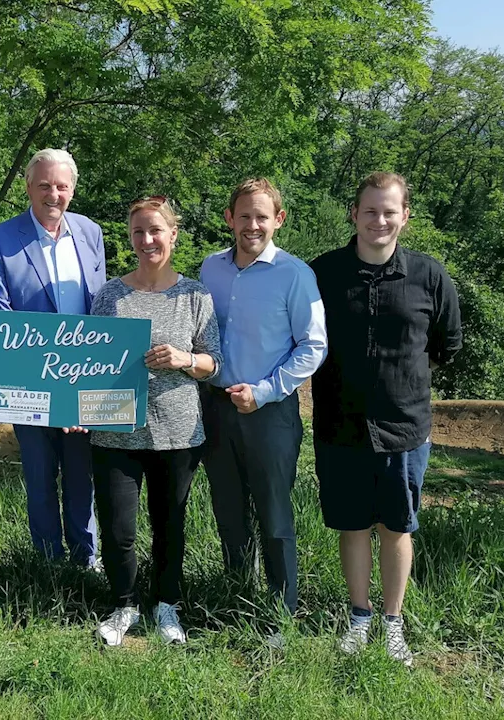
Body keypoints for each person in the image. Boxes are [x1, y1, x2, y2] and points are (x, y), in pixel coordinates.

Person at [310, 172, 462, 666]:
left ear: (405, 216)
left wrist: (400, 377)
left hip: (405, 426)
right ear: (353, 214)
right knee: (352, 526)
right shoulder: (322, 273)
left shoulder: (429, 275)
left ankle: (393, 625)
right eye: (370, 210)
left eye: (389, 211)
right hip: (339, 424)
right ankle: (359, 618)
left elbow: (446, 345)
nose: (379, 220)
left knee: (397, 527)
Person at [88, 197, 221, 646]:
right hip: (114, 431)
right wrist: (74, 408)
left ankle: (167, 606)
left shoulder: (195, 295)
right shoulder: (109, 295)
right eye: (139, 233)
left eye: (156, 231)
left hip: (178, 432)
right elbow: (88, 363)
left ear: (173, 235)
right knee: (118, 529)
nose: (147, 241)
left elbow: (215, 362)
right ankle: (124, 605)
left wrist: (185, 359)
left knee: (170, 527)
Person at [198, 179, 327, 642]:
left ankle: (281, 611)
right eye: (244, 216)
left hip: (270, 411)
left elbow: (313, 346)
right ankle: (236, 593)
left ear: (279, 220)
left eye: (262, 216)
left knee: (274, 512)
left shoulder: (294, 274)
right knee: (228, 509)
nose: (252, 225)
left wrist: (266, 391)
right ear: (229, 218)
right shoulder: (209, 270)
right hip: (215, 407)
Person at [0, 148, 105, 569]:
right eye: (45, 185)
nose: (54, 194)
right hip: (29, 383)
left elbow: (100, 309)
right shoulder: (0, 239)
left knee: (82, 475)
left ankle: (86, 560)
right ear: (29, 187)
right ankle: (47, 561)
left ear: (73, 189)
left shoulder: (91, 232)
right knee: (39, 475)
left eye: (62, 186)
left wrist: (80, 390)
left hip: (84, 378)